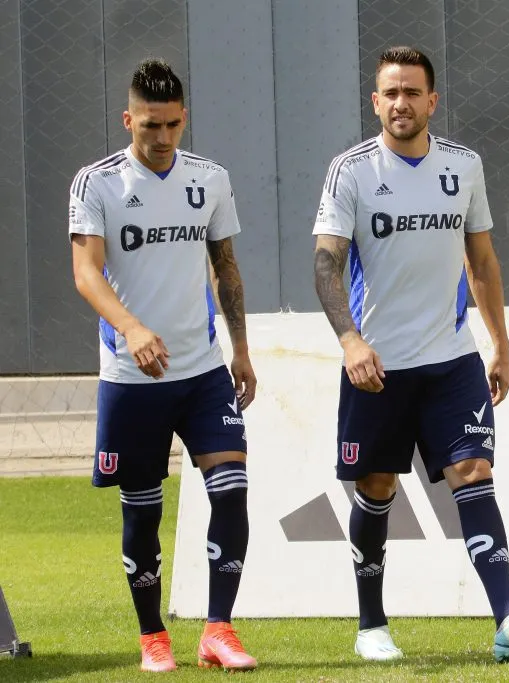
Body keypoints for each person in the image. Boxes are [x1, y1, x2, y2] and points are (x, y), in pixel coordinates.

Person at [312, 46, 509, 663]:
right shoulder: (351, 171)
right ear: (376, 102)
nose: (401, 103)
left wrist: (499, 343)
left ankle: (508, 620)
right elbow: (326, 264)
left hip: (453, 363)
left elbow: (482, 261)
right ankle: (372, 626)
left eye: (412, 92)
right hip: (379, 369)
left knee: (474, 474)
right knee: (376, 488)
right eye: (390, 93)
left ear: (432, 101)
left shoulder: (463, 167)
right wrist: (350, 340)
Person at [69, 58, 259, 673]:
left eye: (173, 124)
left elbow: (225, 268)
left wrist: (242, 350)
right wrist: (131, 328)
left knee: (231, 491)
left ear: (184, 120)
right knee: (143, 508)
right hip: (132, 377)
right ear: (129, 120)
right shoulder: (96, 184)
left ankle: (218, 630)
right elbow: (86, 271)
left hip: (203, 372)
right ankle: (154, 637)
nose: (163, 137)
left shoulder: (210, 179)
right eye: (150, 125)